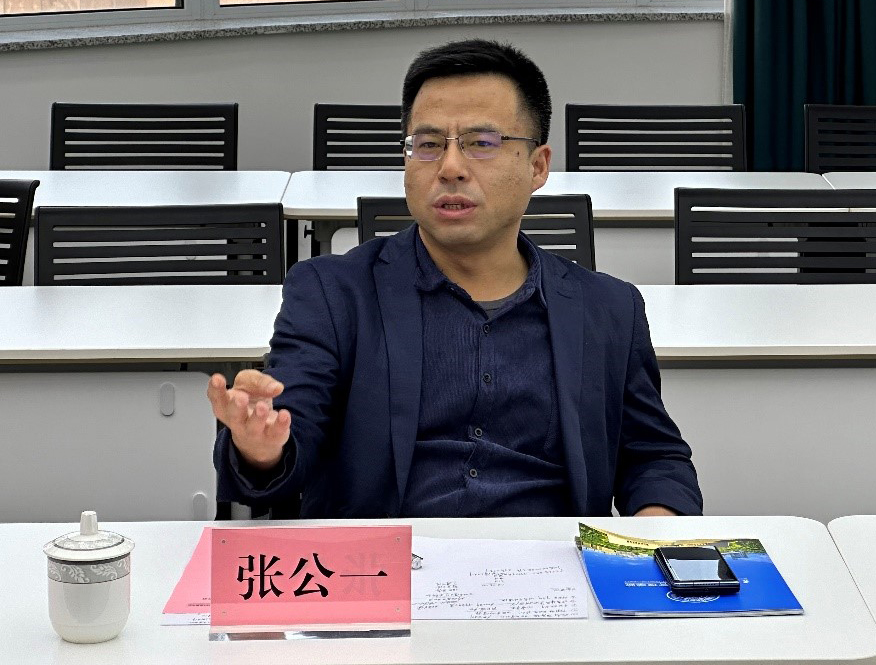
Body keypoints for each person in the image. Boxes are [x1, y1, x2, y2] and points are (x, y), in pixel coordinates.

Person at [207, 39, 702, 518]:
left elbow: (654, 457)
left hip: (552, 565)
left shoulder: (609, 308)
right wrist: (261, 446)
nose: (449, 168)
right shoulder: (332, 293)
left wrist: (654, 520)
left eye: (481, 144)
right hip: (384, 564)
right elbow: (291, 425)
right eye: (427, 145)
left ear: (537, 166)